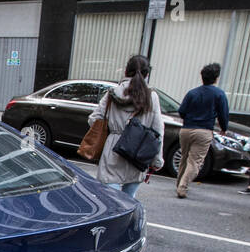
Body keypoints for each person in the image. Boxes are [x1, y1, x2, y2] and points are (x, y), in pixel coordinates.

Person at [87, 54, 164, 198]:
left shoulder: (113, 93)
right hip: (139, 150)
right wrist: (157, 160)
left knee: (111, 199)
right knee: (129, 199)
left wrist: (111, 129)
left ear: (125, 71)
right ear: (147, 75)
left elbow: (94, 119)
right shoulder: (152, 96)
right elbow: (158, 130)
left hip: (113, 148)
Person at [174, 62, 229, 199]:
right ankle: (183, 186)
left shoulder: (192, 93)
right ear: (216, 78)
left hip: (186, 129)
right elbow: (223, 114)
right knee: (195, 161)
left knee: (184, 158)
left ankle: (179, 183)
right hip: (204, 130)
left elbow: (181, 111)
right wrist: (224, 128)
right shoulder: (219, 94)